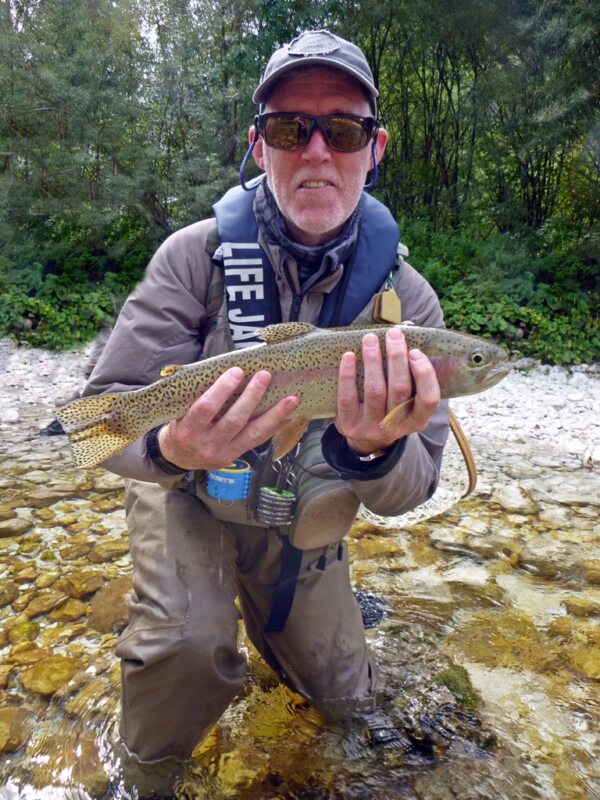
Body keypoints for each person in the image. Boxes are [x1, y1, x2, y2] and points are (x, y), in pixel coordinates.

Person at [83, 29, 449, 772]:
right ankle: (145, 781)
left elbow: (411, 492)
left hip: (299, 506)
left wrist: (373, 448)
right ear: (259, 147)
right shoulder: (195, 256)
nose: (316, 152)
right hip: (185, 490)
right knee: (183, 652)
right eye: (289, 129)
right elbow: (102, 417)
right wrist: (168, 448)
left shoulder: (406, 305)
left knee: (345, 699)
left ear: (374, 150)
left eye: (342, 130)